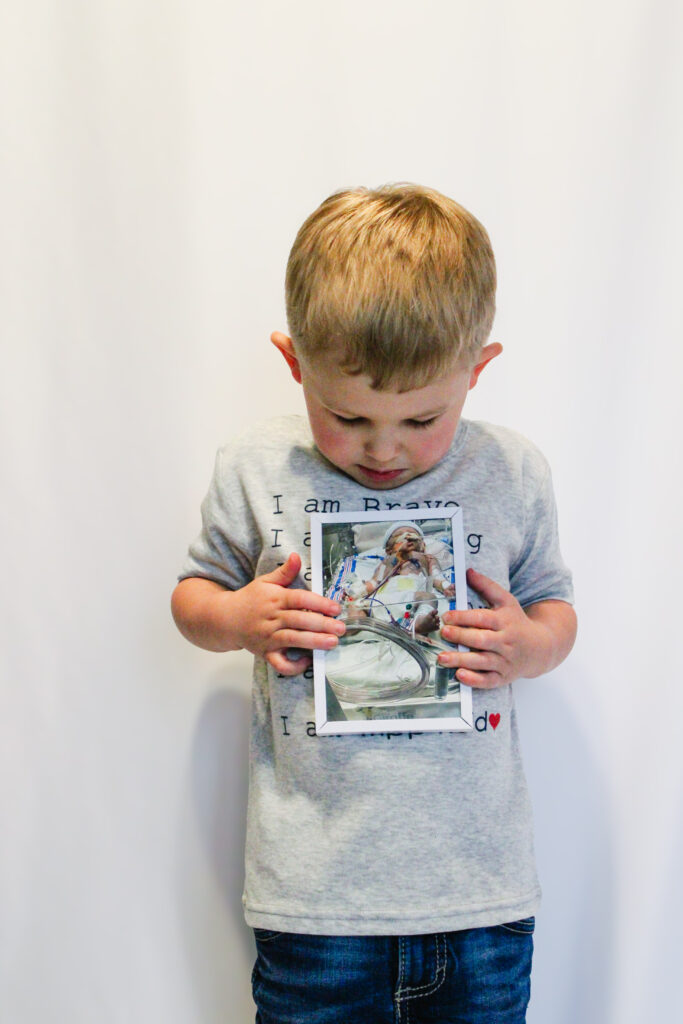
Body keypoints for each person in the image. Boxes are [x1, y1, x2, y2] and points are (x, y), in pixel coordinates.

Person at [171, 184, 577, 1023]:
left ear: (477, 370)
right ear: (294, 362)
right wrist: (239, 619)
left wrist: (527, 645)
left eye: (422, 419)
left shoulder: (512, 471)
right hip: (314, 899)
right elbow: (192, 597)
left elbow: (554, 612)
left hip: (480, 895)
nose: (383, 449)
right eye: (346, 415)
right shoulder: (255, 466)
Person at [344, 522, 455, 634]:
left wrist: (445, 586)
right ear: (389, 550)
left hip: (412, 597)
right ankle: (350, 627)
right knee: (357, 605)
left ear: (422, 545)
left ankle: (418, 623)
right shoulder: (389, 560)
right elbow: (375, 581)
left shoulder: (427, 558)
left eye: (412, 535)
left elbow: (436, 575)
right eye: (400, 536)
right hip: (384, 598)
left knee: (429, 598)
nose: (407, 537)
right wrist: (357, 591)